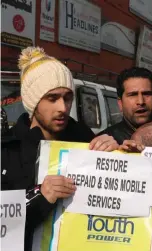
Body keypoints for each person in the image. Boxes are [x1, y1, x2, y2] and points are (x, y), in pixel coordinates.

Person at [0, 47, 121, 251]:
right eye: (52, 98)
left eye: (67, 97)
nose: (63, 108)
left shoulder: (86, 141)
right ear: (33, 102)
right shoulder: (8, 152)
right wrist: (40, 196)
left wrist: (120, 155)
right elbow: (5, 228)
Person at [99, 67, 152, 144]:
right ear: (120, 103)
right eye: (133, 95)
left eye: (146, 94)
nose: (141, 101)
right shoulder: (104, 142)